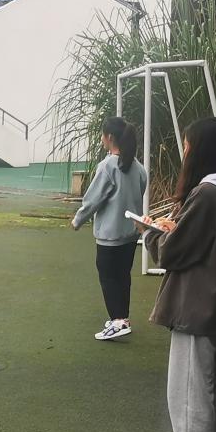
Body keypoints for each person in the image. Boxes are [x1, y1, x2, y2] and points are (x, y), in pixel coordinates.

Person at [140, 117, 216, 432]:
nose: (185, 152)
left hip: (196, 301)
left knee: (188, 384)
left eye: (187, 146)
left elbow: (173, 251)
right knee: (209, 381)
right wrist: (172, 230)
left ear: (199, 150)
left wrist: (151, 232)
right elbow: (197, 240)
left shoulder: (206, 194)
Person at [71, 117, 148, 340]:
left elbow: (93, 199)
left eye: (103, 135)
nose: (101, 139)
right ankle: (122, 318)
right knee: (123, 276)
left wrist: (78, 220)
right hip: (131, 234)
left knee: (108, 277)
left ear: (110, 137)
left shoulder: (107, 166)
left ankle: (118, 320)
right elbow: (140, 190)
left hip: (110, 235)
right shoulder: (138, 167)